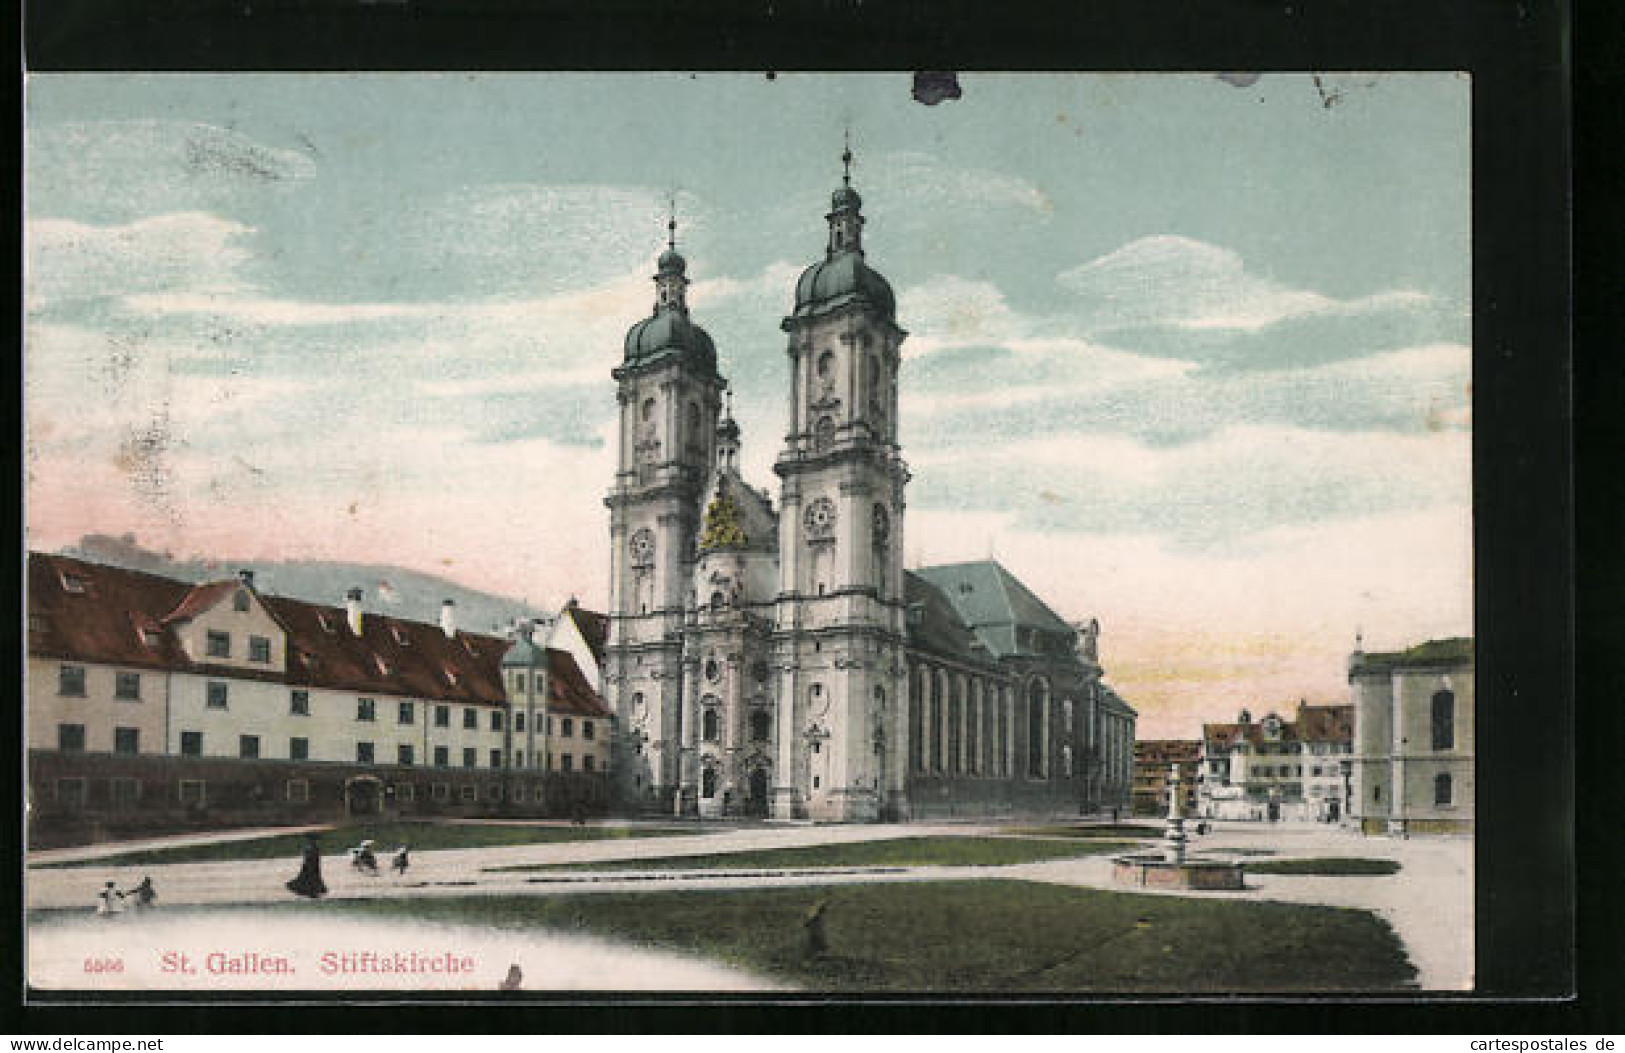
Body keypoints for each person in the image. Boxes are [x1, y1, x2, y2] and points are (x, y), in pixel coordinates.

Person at [286, 833, 328, 899]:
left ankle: (310, 890)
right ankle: (311, 890)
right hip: (312, 865)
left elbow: (309, 858)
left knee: (309, 878)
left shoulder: (310, 848)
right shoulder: (313, 848)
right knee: (311, 877)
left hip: (310, 865)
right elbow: (312, 858)